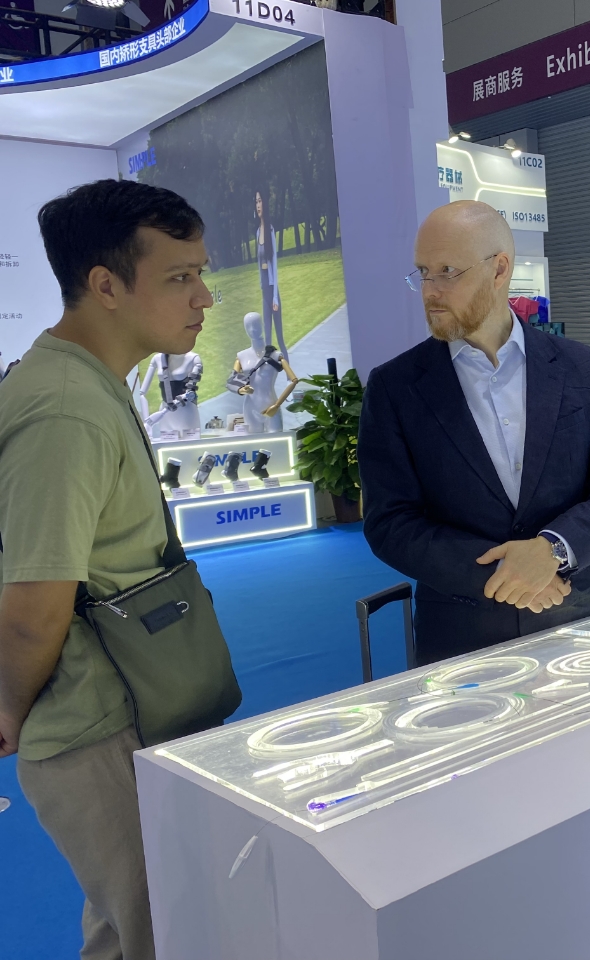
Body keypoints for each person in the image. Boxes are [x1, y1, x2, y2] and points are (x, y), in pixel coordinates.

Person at [0, 179, 226, 960]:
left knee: (130, 927)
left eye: (200, 273)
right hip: (96, 723)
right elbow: (35, 602)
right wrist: (9, 708)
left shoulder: (91, 384)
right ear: (105, 285)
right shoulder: (65, 407)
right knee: (158, 932)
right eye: (180, 276)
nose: (204, 296)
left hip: (130, 702)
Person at [359, 201, 590, 664]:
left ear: (500, 268)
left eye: (448, 271)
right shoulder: (395, 387)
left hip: (578, 620)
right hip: (462, 637)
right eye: (423, 273)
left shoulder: (580, 368)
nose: (430, 291)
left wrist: (553, 551)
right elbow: (389, 522)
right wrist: (508, 572)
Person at [254, 189, 287, 360]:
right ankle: (269, 373)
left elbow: (274, 262)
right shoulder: (257, 232)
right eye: (256, 202)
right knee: (267, 339)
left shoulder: (270, 230)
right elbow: (259, 265)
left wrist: (275, 297)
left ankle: (290, 373)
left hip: (272, 290)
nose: (258, 205)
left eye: (260, 201)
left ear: (265, 203)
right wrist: (263, 290)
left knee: (279, 337)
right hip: (264, 291)